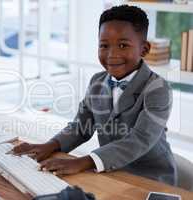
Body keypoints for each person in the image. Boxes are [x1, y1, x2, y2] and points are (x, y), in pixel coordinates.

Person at [12, 5, 177, 186]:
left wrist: (82, 162)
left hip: (149, 179)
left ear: (144, 49)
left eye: (123, 45)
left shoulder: (158, 89)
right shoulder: (97, 81)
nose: (112, 54)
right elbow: (80, 127)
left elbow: (139, 140)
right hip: (109, 173)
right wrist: (49, 146)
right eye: (104, 45)